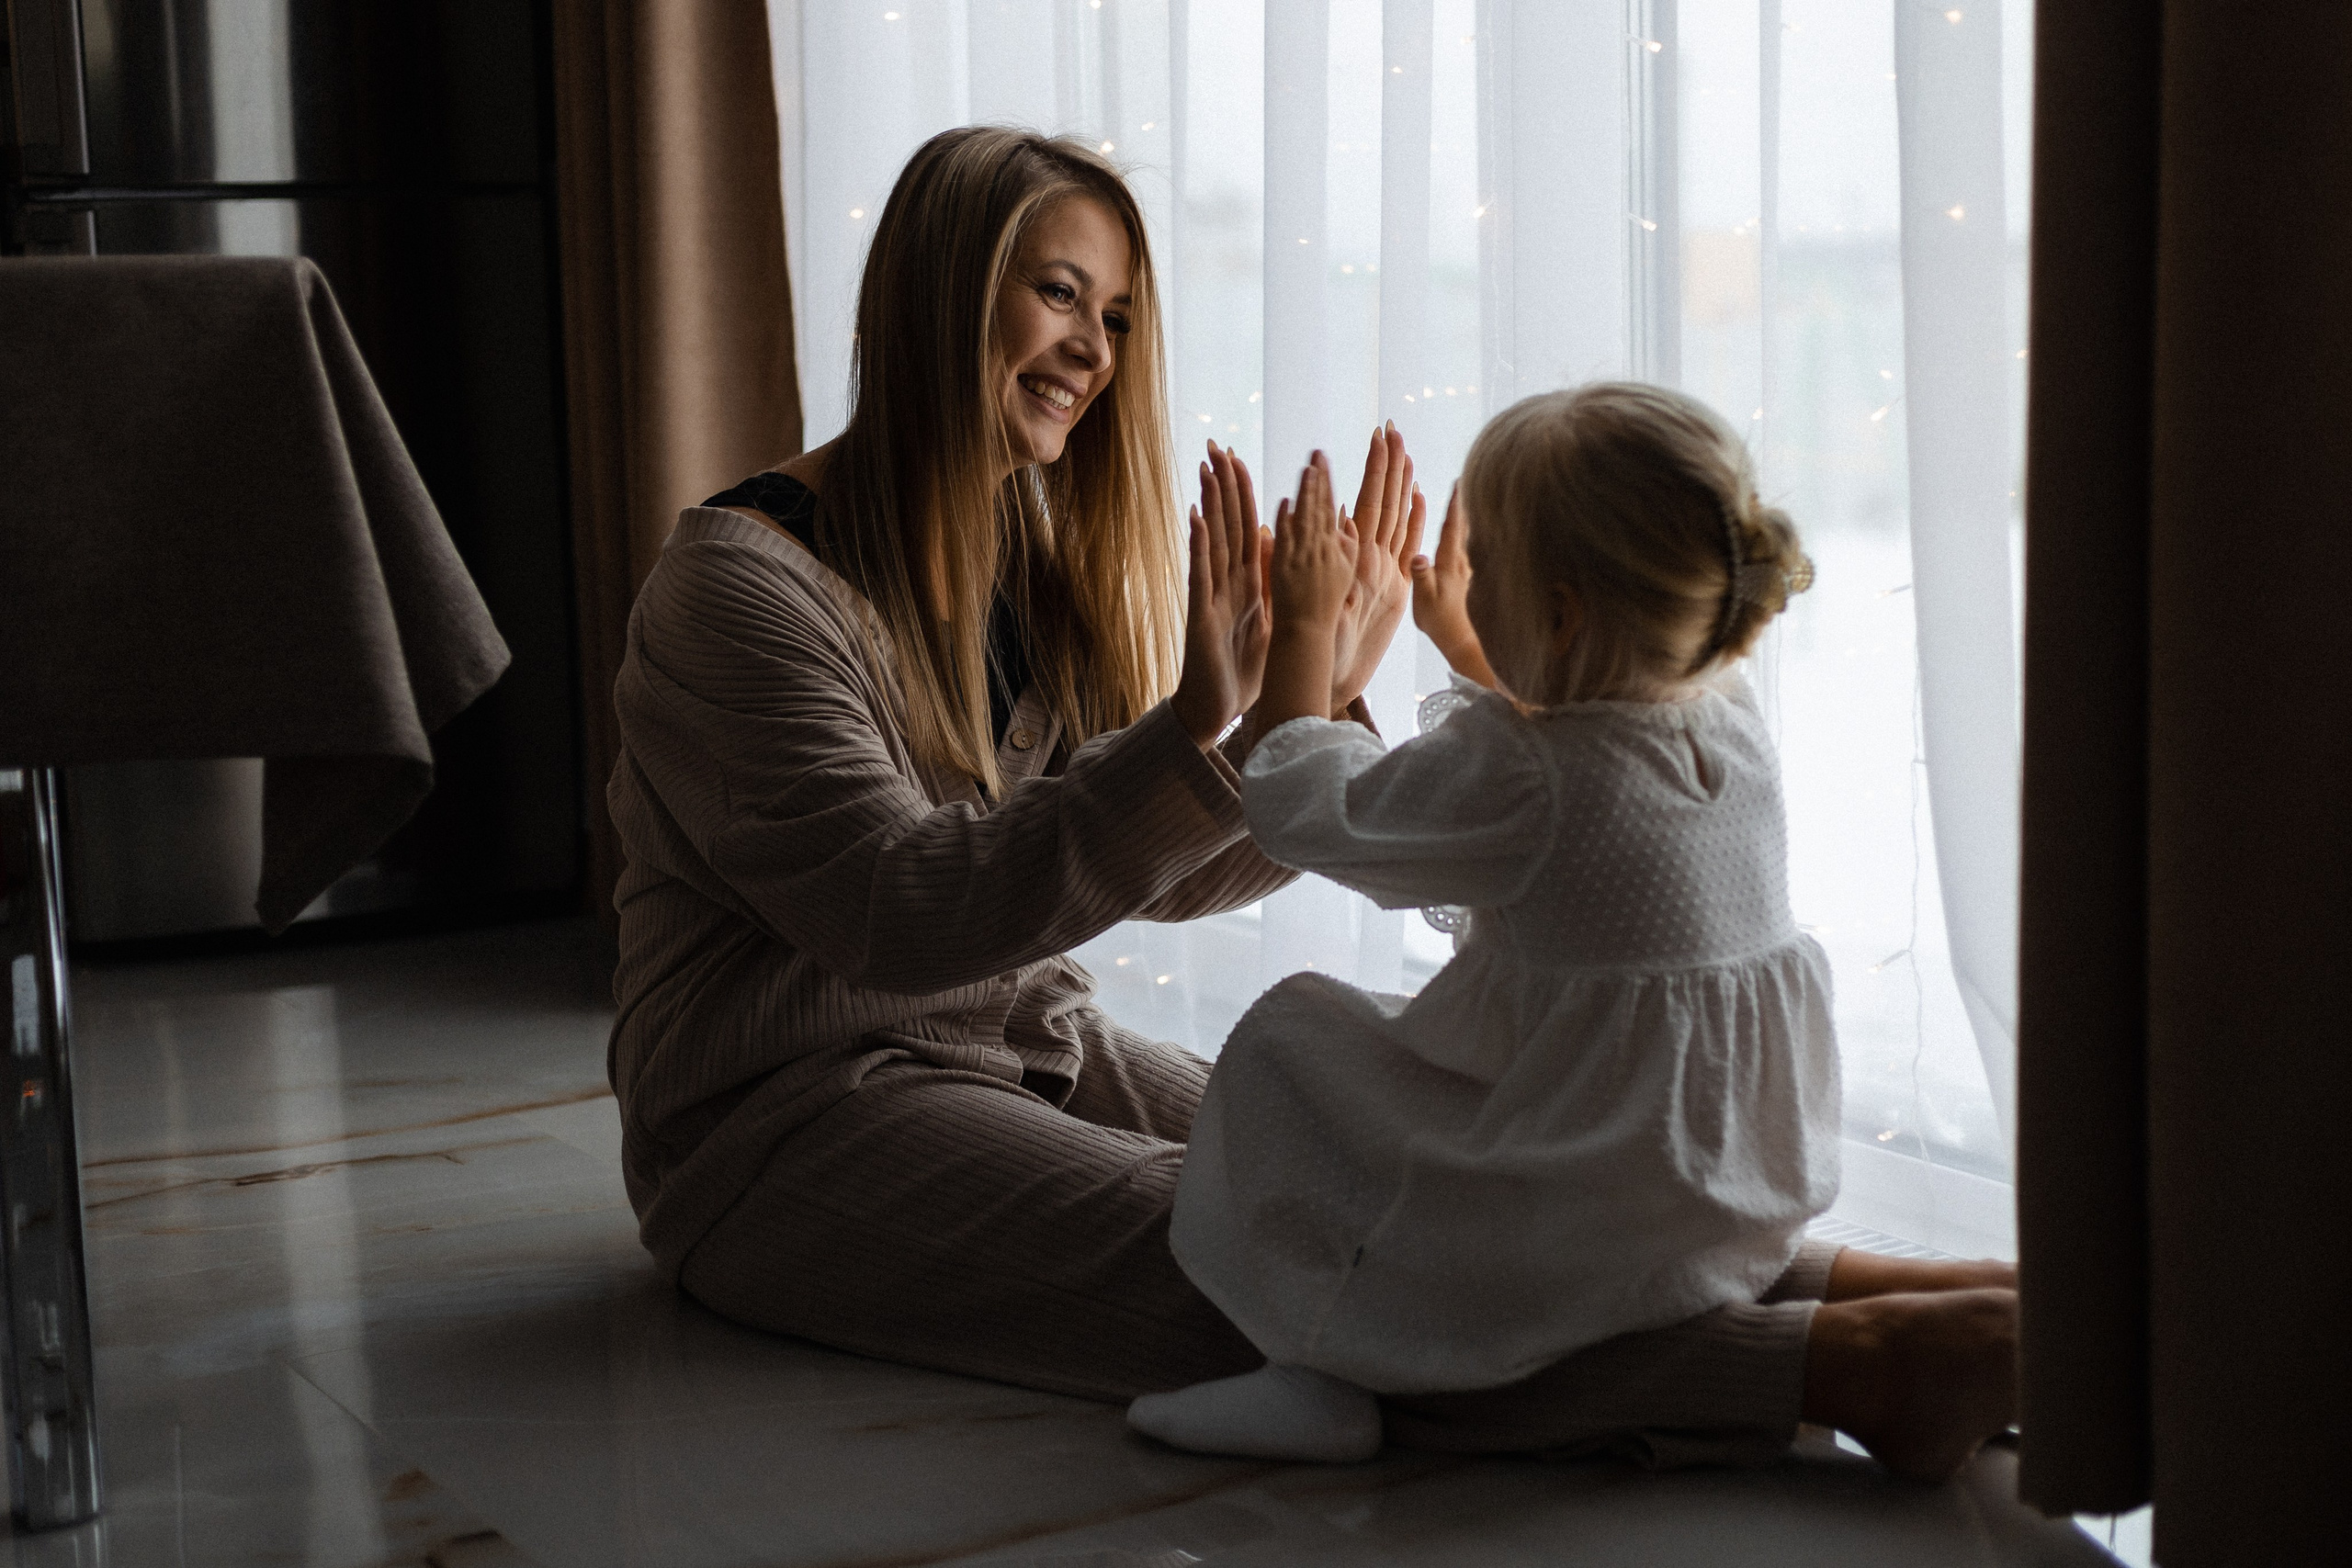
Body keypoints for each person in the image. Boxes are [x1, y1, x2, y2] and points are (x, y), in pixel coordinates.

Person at [1127, 386, 2022, 1480]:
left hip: (1593, 1176)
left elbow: (1310, 806)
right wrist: (1468, 636)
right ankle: (1993, 1301)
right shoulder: (1720, 710)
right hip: (1730, 1171)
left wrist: (1307, 631)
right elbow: (1580, 731)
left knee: (1290, 1044)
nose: (1472, 578)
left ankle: (1327, 1367)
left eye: (1489, 563)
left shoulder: (1526, 774)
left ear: (1559, 615)